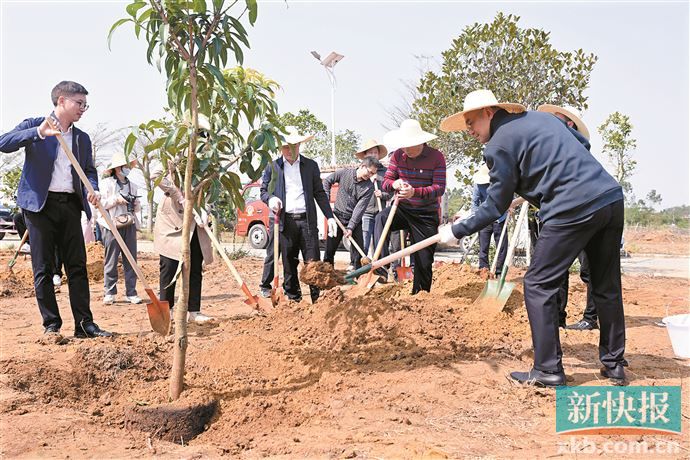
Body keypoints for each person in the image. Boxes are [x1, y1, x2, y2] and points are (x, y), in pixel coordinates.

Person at [439, 89, 626, 386]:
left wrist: (455, 230)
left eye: (471, 122)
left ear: (489, 112)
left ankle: (548, 370)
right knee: (606, 285)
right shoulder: (545, 119)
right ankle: (614, 364)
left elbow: (494, 206)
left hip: (570, 208)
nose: (470, 130)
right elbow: (583, 144)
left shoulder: (497, 145)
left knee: (539, 284)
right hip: (609, 198)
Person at [0, 81, 111, 338]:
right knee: (43, 267)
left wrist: (92, 189)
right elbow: (4, 142)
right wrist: (38, 132)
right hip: (39, 207)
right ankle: (51, 325)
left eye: (85, 105)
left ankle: (84, 324)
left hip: (70, 205)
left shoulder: (81, 139)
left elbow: (89, 171)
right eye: (79, 103)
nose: (83, 109)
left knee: (77, 266)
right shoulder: (35, 124)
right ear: (61, 101)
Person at [537, 104, 597, 331]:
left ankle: (590, 318)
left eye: (557, 119)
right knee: (558, 270)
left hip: (585, 215)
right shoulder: (551, 148)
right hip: (560, 217)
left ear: (569, 123)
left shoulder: (579, 149)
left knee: (589, 270)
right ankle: (558, 318)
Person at [260, 126, 337, 303]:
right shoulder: (273, 167)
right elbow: (263, 191)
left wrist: (330, 216)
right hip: (285, 221)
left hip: (307, 221)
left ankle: (317, 299)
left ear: (299, 145)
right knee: (289, 262)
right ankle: (294, 299)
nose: (289, 150)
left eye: (293, 146)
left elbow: (319, 193)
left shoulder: (310, 166)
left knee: (313, 262)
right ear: (280, 148)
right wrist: (270, 199)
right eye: (285, 147)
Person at [375, 119, 447, 294]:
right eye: (404, 144)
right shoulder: (398, 156)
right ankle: (381, 265)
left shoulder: (436, 157)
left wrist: (415, 192)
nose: (406, 149)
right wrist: (394, 184)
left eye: (410, 145)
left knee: (423, 261)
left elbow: (439, 188)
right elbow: (386, 182)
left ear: (420, 142)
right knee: (381, 219)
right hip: (403, 209)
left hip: (426, 214)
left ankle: (421, 295)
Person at [153, 170, 214, 323]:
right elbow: (155, 176)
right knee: (169, 267)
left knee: (195, 268)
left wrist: (205, 209)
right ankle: (167, 312)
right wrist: (179, 196)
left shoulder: (208, 166)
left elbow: (210, 191)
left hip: (195, 222)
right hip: (172, 221)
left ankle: (194, 312)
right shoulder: (173, 161)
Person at [98, 152, 142, 305]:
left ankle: (131, 292)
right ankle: (109, 292)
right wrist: (116, 200)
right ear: (117, 168)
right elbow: (100, 204)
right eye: (125, 165)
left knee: (131, 259)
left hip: (129, 224)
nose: (128, 168)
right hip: (111, 225)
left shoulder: (133, 186)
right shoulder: (106, 184)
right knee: (111, 259)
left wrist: (135, 203)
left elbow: (137, 209)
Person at [322, 157, 377, 269]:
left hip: (354, 219)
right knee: (330, 249)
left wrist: (351, 226)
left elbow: (360, 209)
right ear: (362, 166)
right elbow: (327, 181)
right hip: (337, 216)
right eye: (369, 172)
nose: (370, 175)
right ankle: (328, 273)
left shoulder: (368, 187)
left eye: (373, 174)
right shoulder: (344, 173)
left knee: (358, 252)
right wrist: (326, 200)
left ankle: (357, 274)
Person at [355, 140, 391, 257]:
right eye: (370, 152)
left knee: (380, 243)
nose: (373, 155)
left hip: (381, 213)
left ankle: (379, 265)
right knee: (364, 242)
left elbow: (390, 193)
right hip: (365, 212)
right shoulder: (360, 171)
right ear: (365, 155)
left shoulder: (385, 172)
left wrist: (382, 194)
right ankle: (361, 265)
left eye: (375, 152)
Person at [472, 164, 507, 277]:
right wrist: (476, 218)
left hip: (500, 218)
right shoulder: (478, 185)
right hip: (484, 219)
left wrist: (509, 206)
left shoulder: (501, 184)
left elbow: (508, 197)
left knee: (502, 247)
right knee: (483, 247)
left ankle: (499, 272)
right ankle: (484, 270)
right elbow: (475, 203)